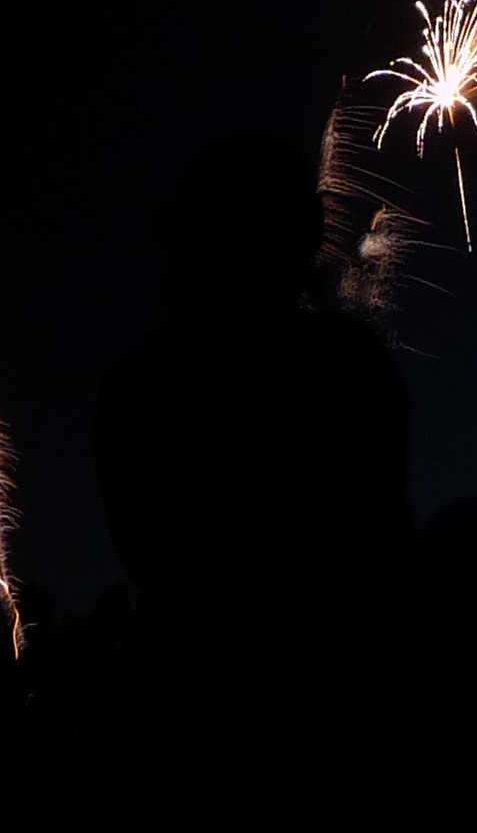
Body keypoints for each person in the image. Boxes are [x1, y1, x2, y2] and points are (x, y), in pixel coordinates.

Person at [92, 132, 411, 732]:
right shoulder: (346, 367)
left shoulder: (142, 384)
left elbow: (151, 558)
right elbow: (381, 545)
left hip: (178, 700)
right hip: (334, 697)